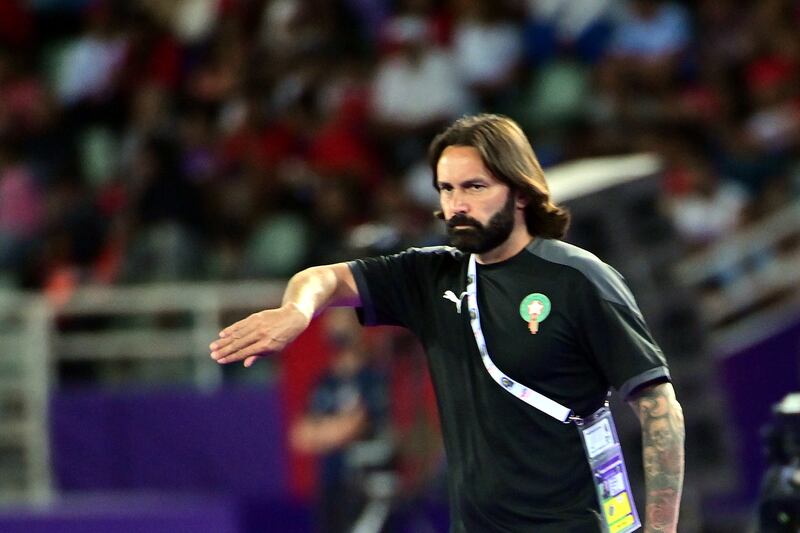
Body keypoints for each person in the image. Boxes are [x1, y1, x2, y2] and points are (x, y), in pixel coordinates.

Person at [210, 113, 685, 532]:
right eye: (446, 188)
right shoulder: (431, 276)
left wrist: (661, 530)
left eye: (474, 187)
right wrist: (296, 310)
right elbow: (323, 279)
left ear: (520, 190)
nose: (456, 204)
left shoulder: (579, 279)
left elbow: (659, 406)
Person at [289, 309, 393, 533]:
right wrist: (335, 430)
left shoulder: (372, 377)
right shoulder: (325, 381)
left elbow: (355, 425)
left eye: (343, 319)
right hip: (330, 486)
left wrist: (323, 431)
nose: (336, 327)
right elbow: (300, 436)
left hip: (365, 488)